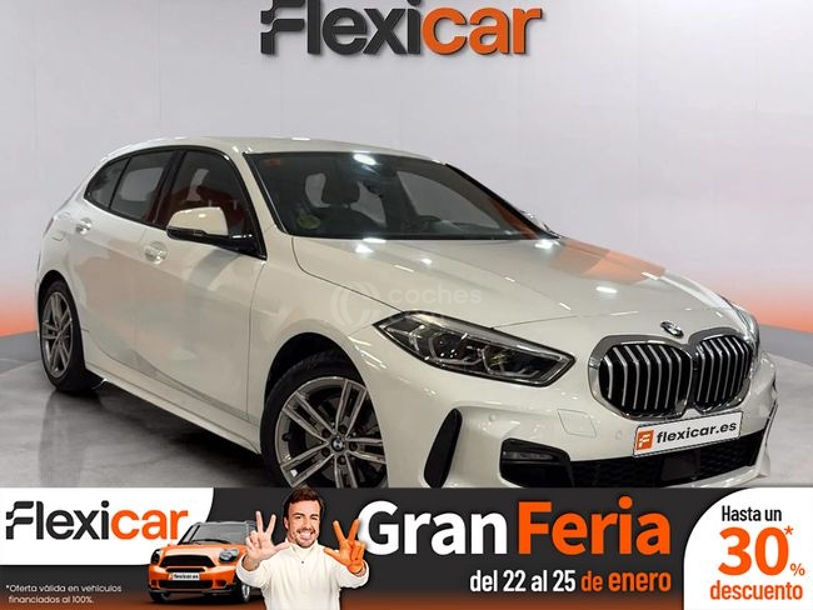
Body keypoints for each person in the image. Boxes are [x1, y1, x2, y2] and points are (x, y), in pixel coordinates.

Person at [236, 485, 368, 610]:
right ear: (286, 522)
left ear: (319, 522)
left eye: (313, 518)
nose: (307, 525)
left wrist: (357, 570)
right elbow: (249, 577)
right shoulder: (270, 560)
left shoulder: (333, 558)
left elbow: (354, 581)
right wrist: (252, 560)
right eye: (299, 517)